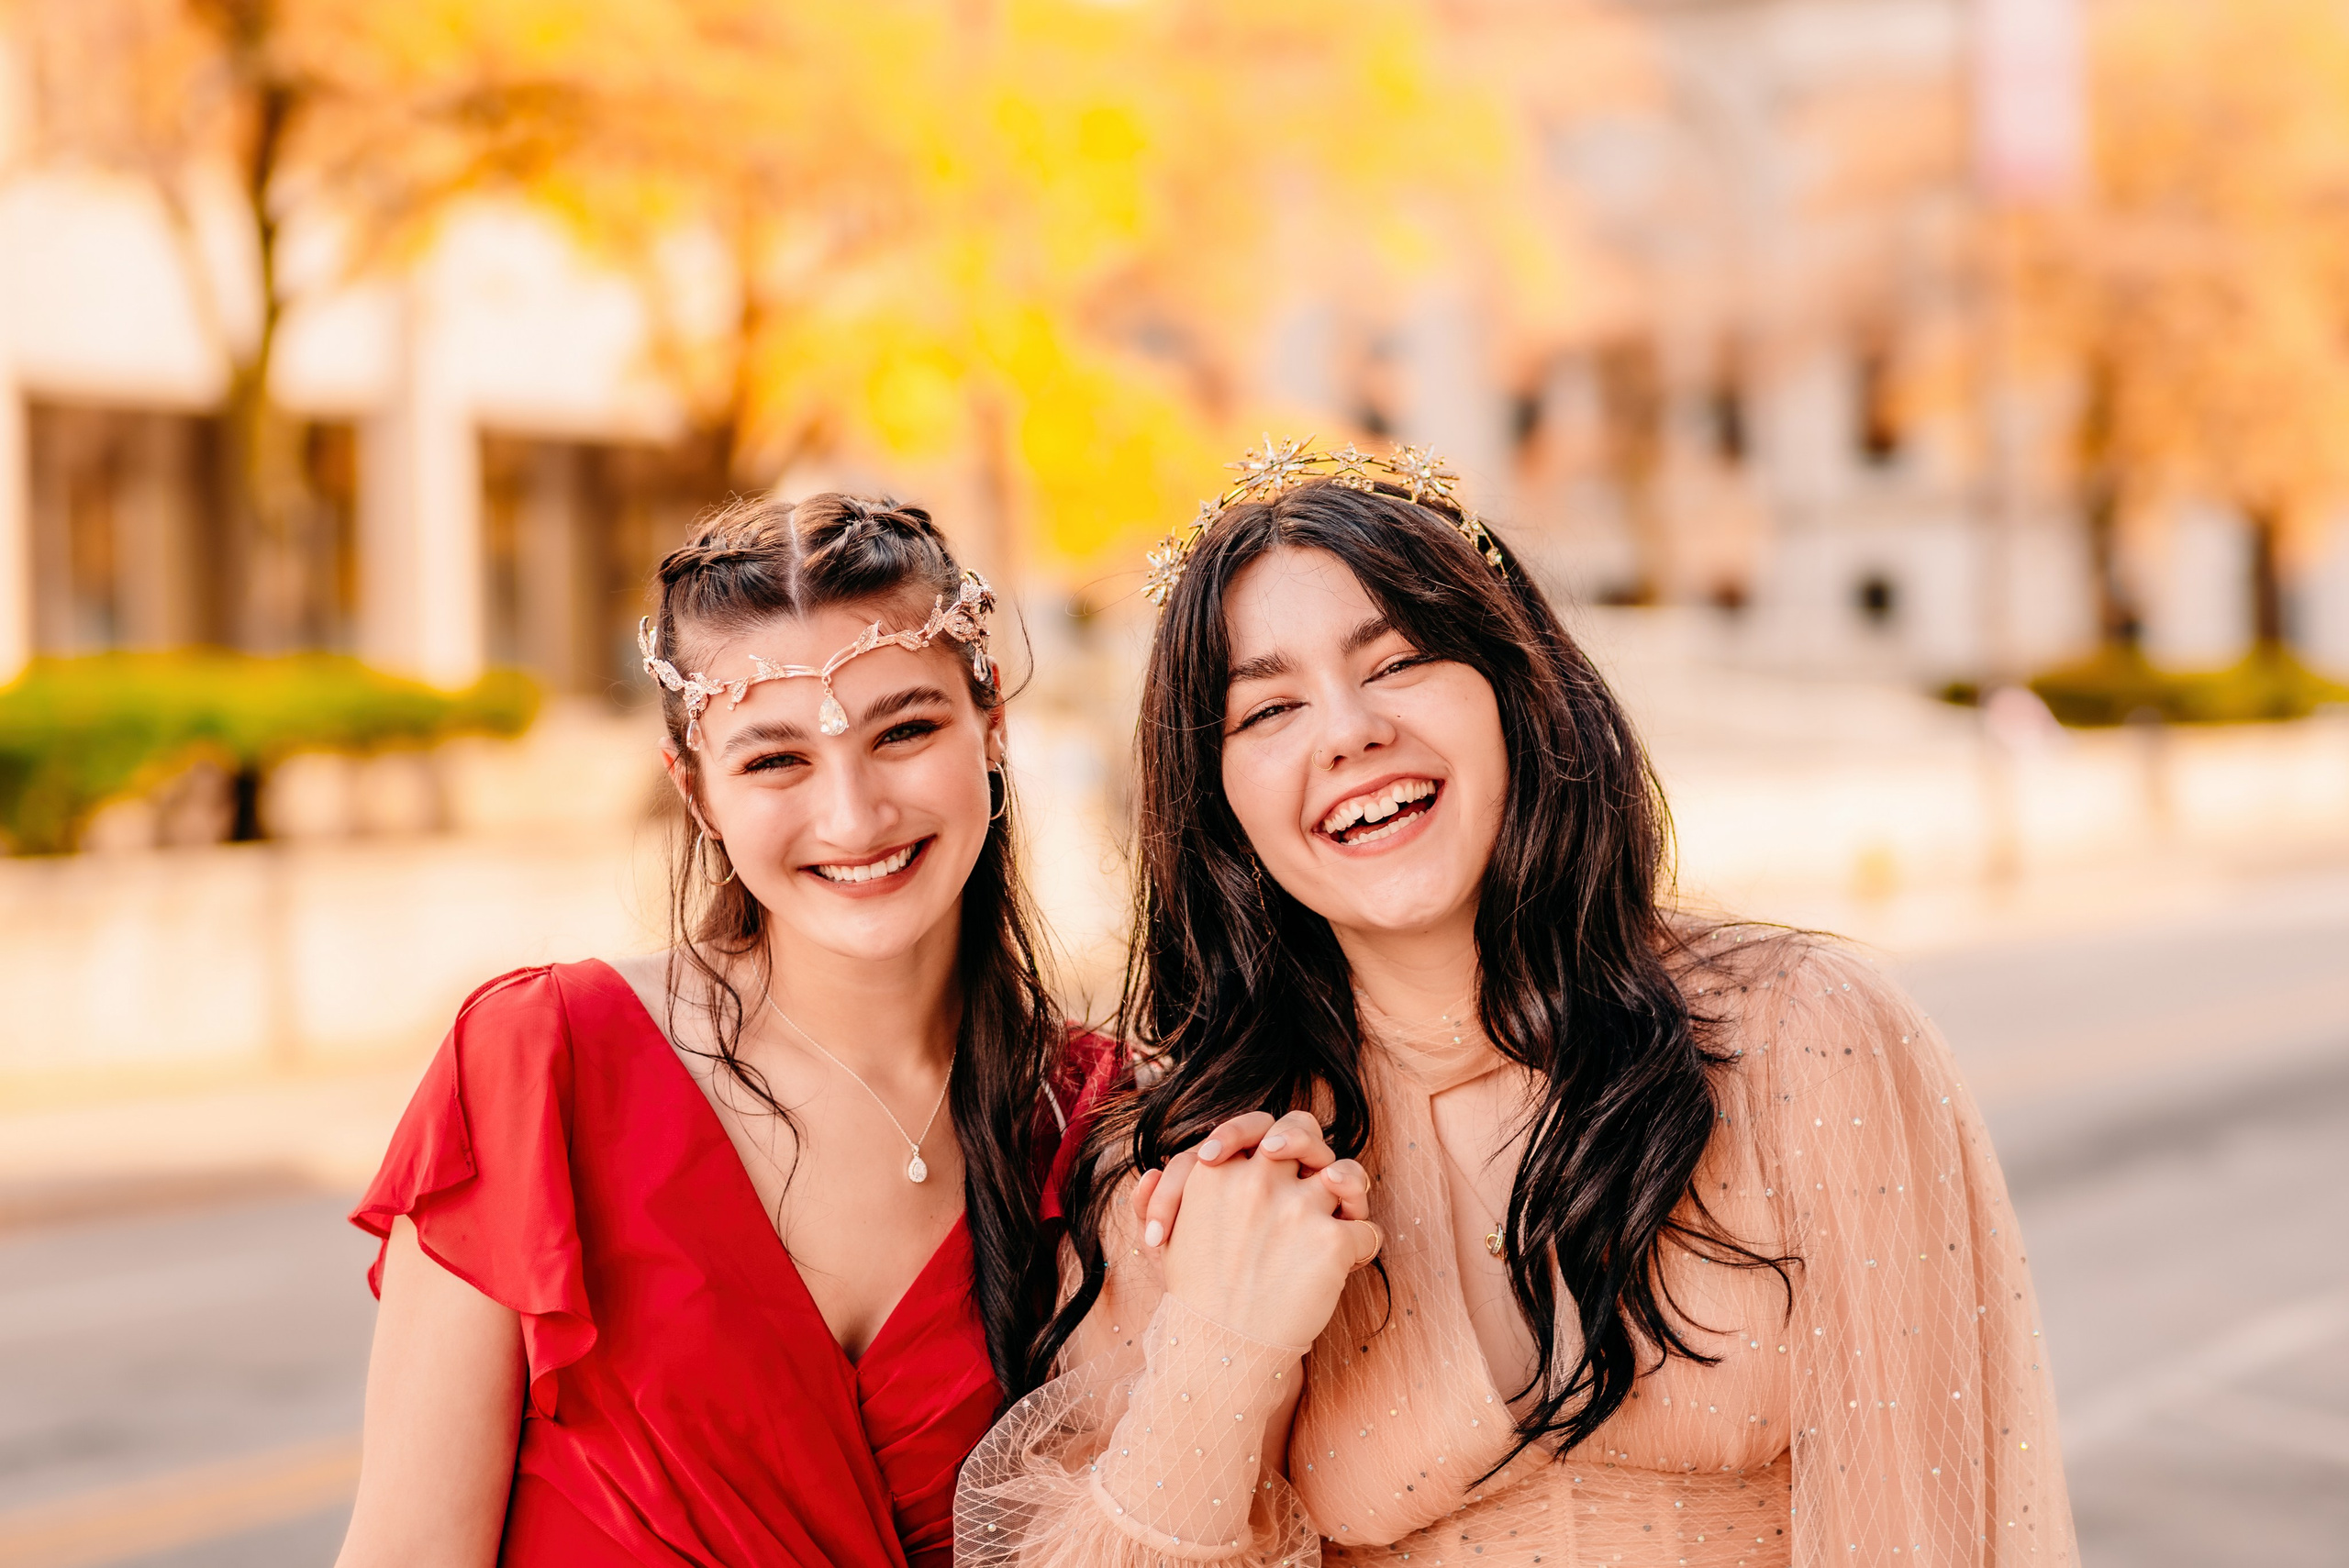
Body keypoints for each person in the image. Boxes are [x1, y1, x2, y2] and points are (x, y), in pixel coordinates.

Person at [957, 441, 2076, 1566]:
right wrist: (1220, 1342)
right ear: (1219, 803)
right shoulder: (1191, 1171)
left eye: (1395, 662)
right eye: (1269, 708)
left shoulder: (1808, 1035)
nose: (1348, 731)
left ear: (1515, 686)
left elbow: (1934, 1524)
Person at [335, 495, 1107, 1568]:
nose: (853, 816)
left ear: (992, 730)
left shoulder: (1102, 1120)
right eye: (773, 760)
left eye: (906, 729)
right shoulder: (537, 1062)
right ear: (695, 791)